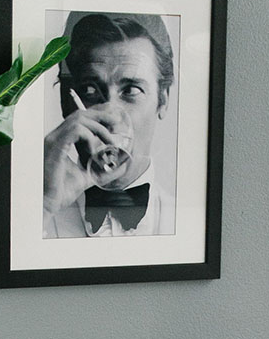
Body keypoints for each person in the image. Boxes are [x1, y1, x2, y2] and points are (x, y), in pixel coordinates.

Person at [43, 12, 177, 239]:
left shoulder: (189, 223)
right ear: (66, 104)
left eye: (131, 90)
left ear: (162, 100)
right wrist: (45, 206)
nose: (110, 116)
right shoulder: (37, 216)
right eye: (89, 90)